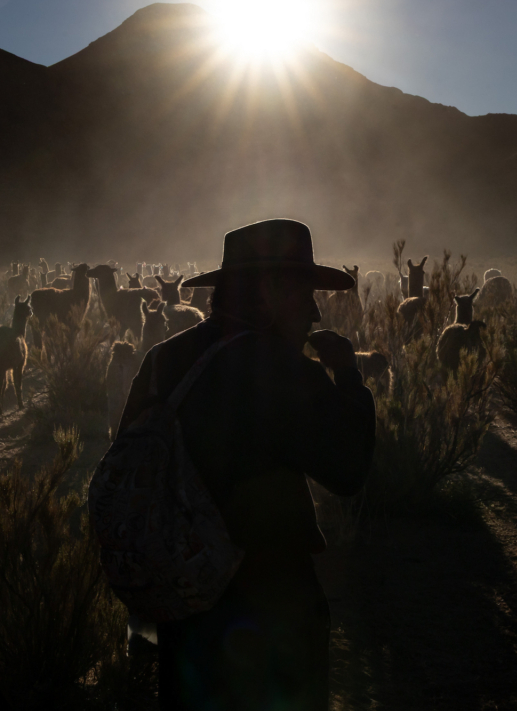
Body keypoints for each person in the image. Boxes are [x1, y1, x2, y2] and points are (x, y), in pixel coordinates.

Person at [116, 219, 376, 711]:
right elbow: (348, 470)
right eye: (306, 292)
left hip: (182, 601)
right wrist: (347, 377)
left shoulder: (162, 360)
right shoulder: (282, 370)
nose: (317, 311)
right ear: (270, 289)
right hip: (273, 607)